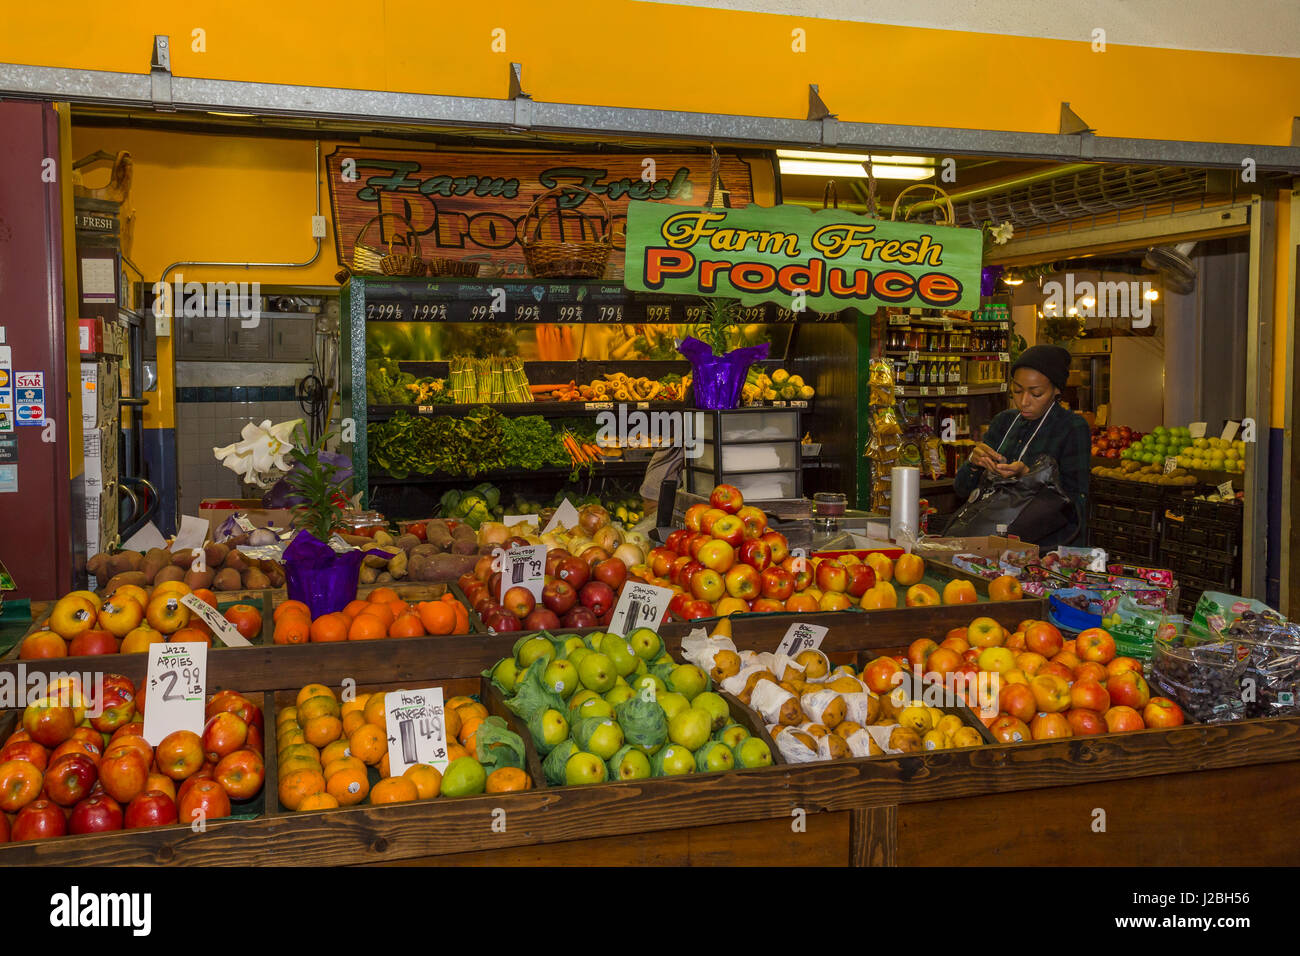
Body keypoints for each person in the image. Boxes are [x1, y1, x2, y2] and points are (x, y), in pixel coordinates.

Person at [952, 344, 1091, 547]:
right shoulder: (1004, 422)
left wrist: (1029, 476)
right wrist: (974, 463)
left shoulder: (1071, 427)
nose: (1024, 401)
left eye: (1036, 394)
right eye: (1017, 391)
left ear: (1056, 390)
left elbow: (1076, 503)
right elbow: (962, 489)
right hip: (991, 541)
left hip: (1044, 548)